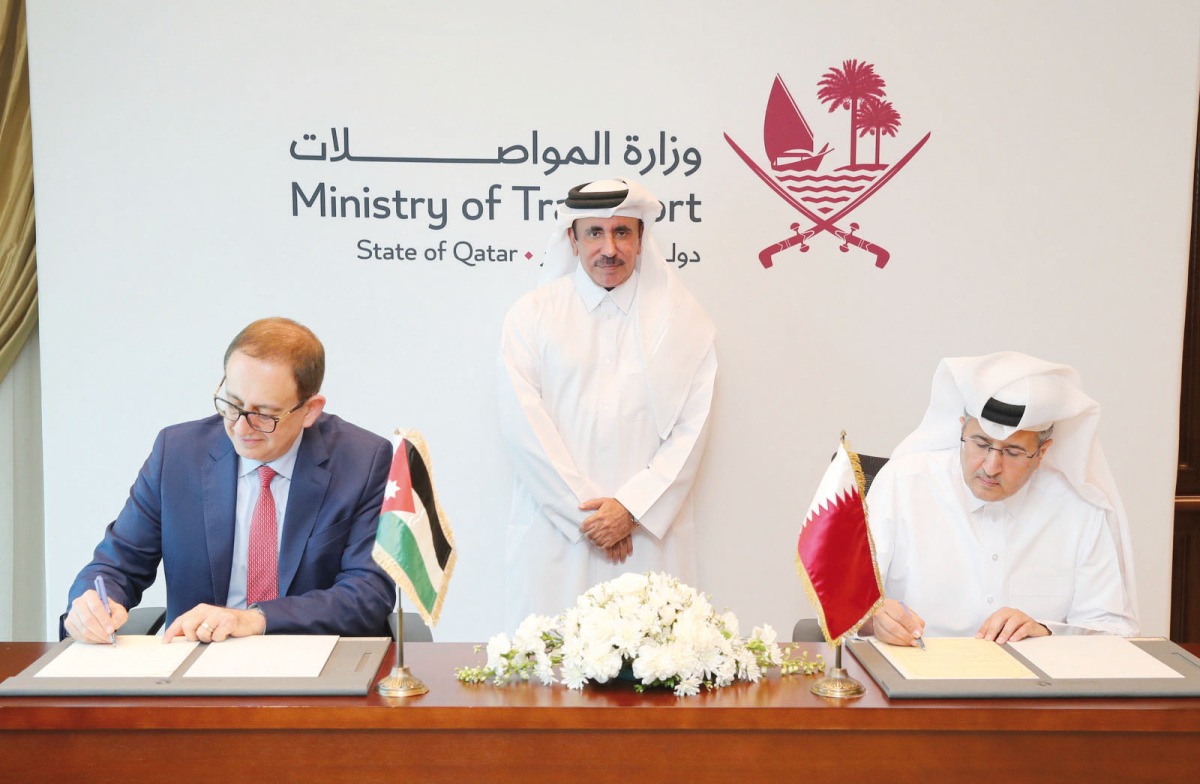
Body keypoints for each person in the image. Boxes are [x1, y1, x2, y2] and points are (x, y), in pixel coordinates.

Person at [63, 317, 395, 643]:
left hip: (312, 658)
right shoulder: (177, 454)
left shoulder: (363, 460)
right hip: (196, 661)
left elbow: (368, 593)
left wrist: (254, 619)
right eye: (232, 404)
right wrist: (92, 602)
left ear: (309, 410)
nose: (239, 427)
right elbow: (117, 563)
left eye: (264, 414)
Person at [498, 178, 716, 627]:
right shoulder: (532, 315)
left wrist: (631, 509)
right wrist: (589, 515)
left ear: (640, 240)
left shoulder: (684, 323)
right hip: (559, 537)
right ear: (572, 240)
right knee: (549, 678)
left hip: (649, 540)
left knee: (654, 675)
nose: (609, 248)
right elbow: (524, 426)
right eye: (595, 232)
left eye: (622, 232)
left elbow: (690, 433)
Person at [865, 351, 1139, 646]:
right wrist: (873, 617)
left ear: (1042, 452)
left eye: (1013, 452)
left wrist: (1044, 631)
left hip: (1034, 684)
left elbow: (1111, 629)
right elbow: (843, 607)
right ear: (961, 428)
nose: (991, 467)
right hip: (914, 670)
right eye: (981, 444)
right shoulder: (903, 483)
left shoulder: (1079, 506)